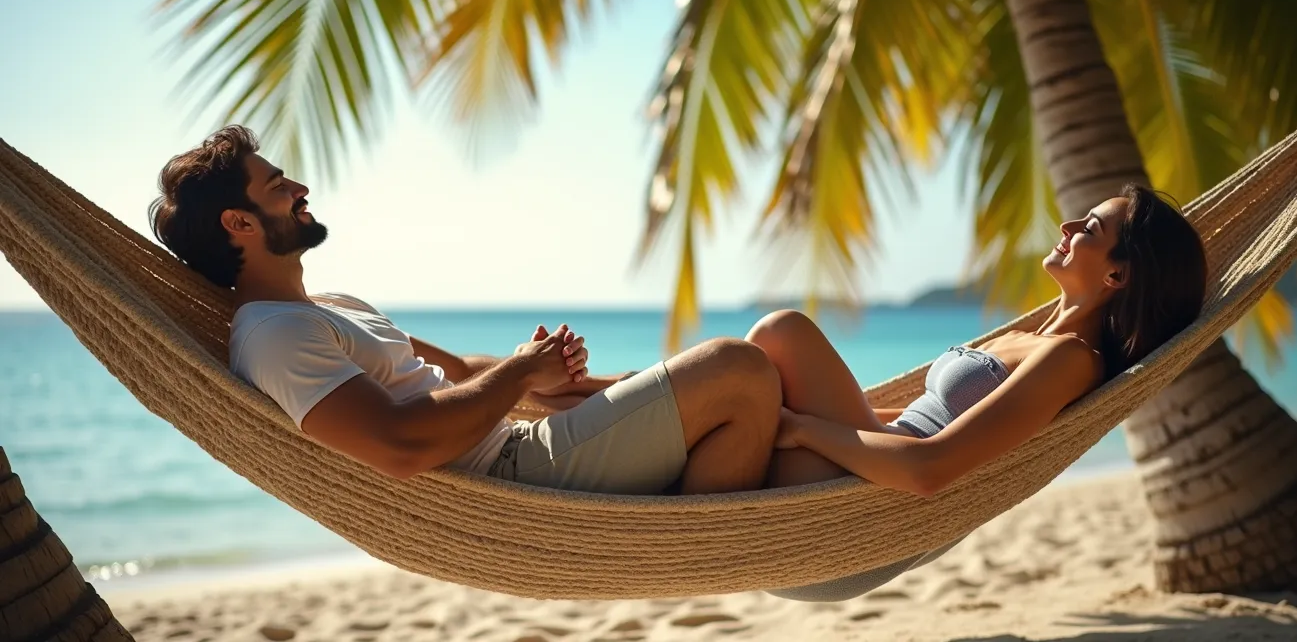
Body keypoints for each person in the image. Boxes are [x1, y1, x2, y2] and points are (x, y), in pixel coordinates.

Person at [148, 125, 783, 496]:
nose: (301, 189)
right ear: (239, 222)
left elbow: (456, 370)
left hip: (526, 439)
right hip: (515, 473)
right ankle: (748, 520)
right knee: (739, 367)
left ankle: (852, 444)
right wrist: (519, 376)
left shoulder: (328, 306)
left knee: (774, 351)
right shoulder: (273, 337)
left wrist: (544, 370)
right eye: (278, 186)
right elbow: (398, 446)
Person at [739, 183, 1208, 601]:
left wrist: (801, 428)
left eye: (1088, 227)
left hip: (858, 515)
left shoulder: (1071, 358)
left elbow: (931, 468)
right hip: (862, 468)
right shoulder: (1032, 339)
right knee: (756, 372)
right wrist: (804, 412)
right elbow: (932, 415)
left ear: (1117, 276)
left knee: (781, 334)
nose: (1066, 226)